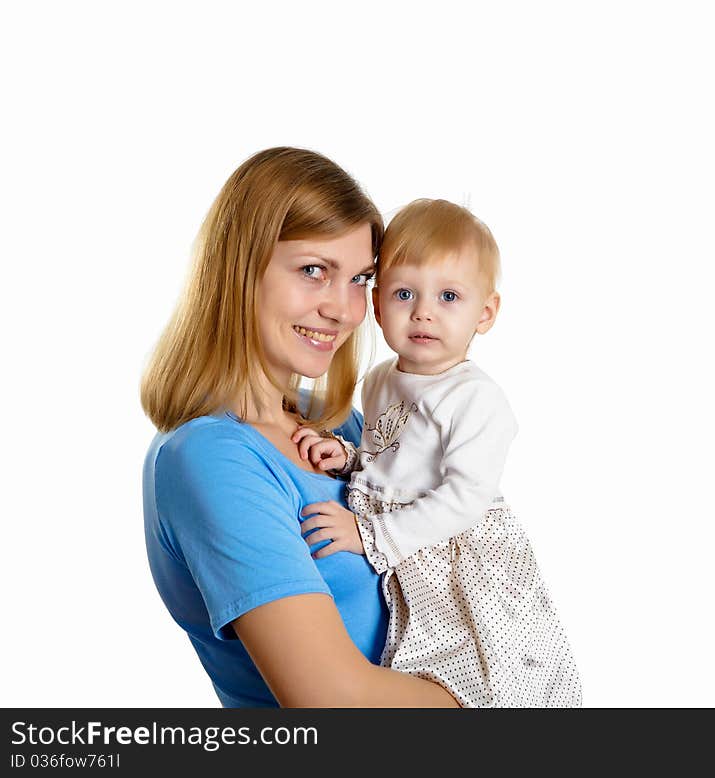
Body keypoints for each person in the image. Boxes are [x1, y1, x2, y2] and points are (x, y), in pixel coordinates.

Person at [141, 148, 458, 708]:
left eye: (361, 278)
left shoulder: (345, 431)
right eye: (315, 271)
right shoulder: (211, 459)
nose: (344, 309)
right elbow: (332, 702)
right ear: (239, 271)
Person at [292, 199, 582, 707]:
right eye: (405, 293)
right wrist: (348, 458)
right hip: (412, 551)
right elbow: (394, 459)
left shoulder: (475, 397)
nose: (423, 312)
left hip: (458, 554)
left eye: (449, 296)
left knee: (485, 668)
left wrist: (370, 534)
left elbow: (465, 497)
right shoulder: (381, 380)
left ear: (485, 312)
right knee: (414, 663)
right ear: (378, 305)